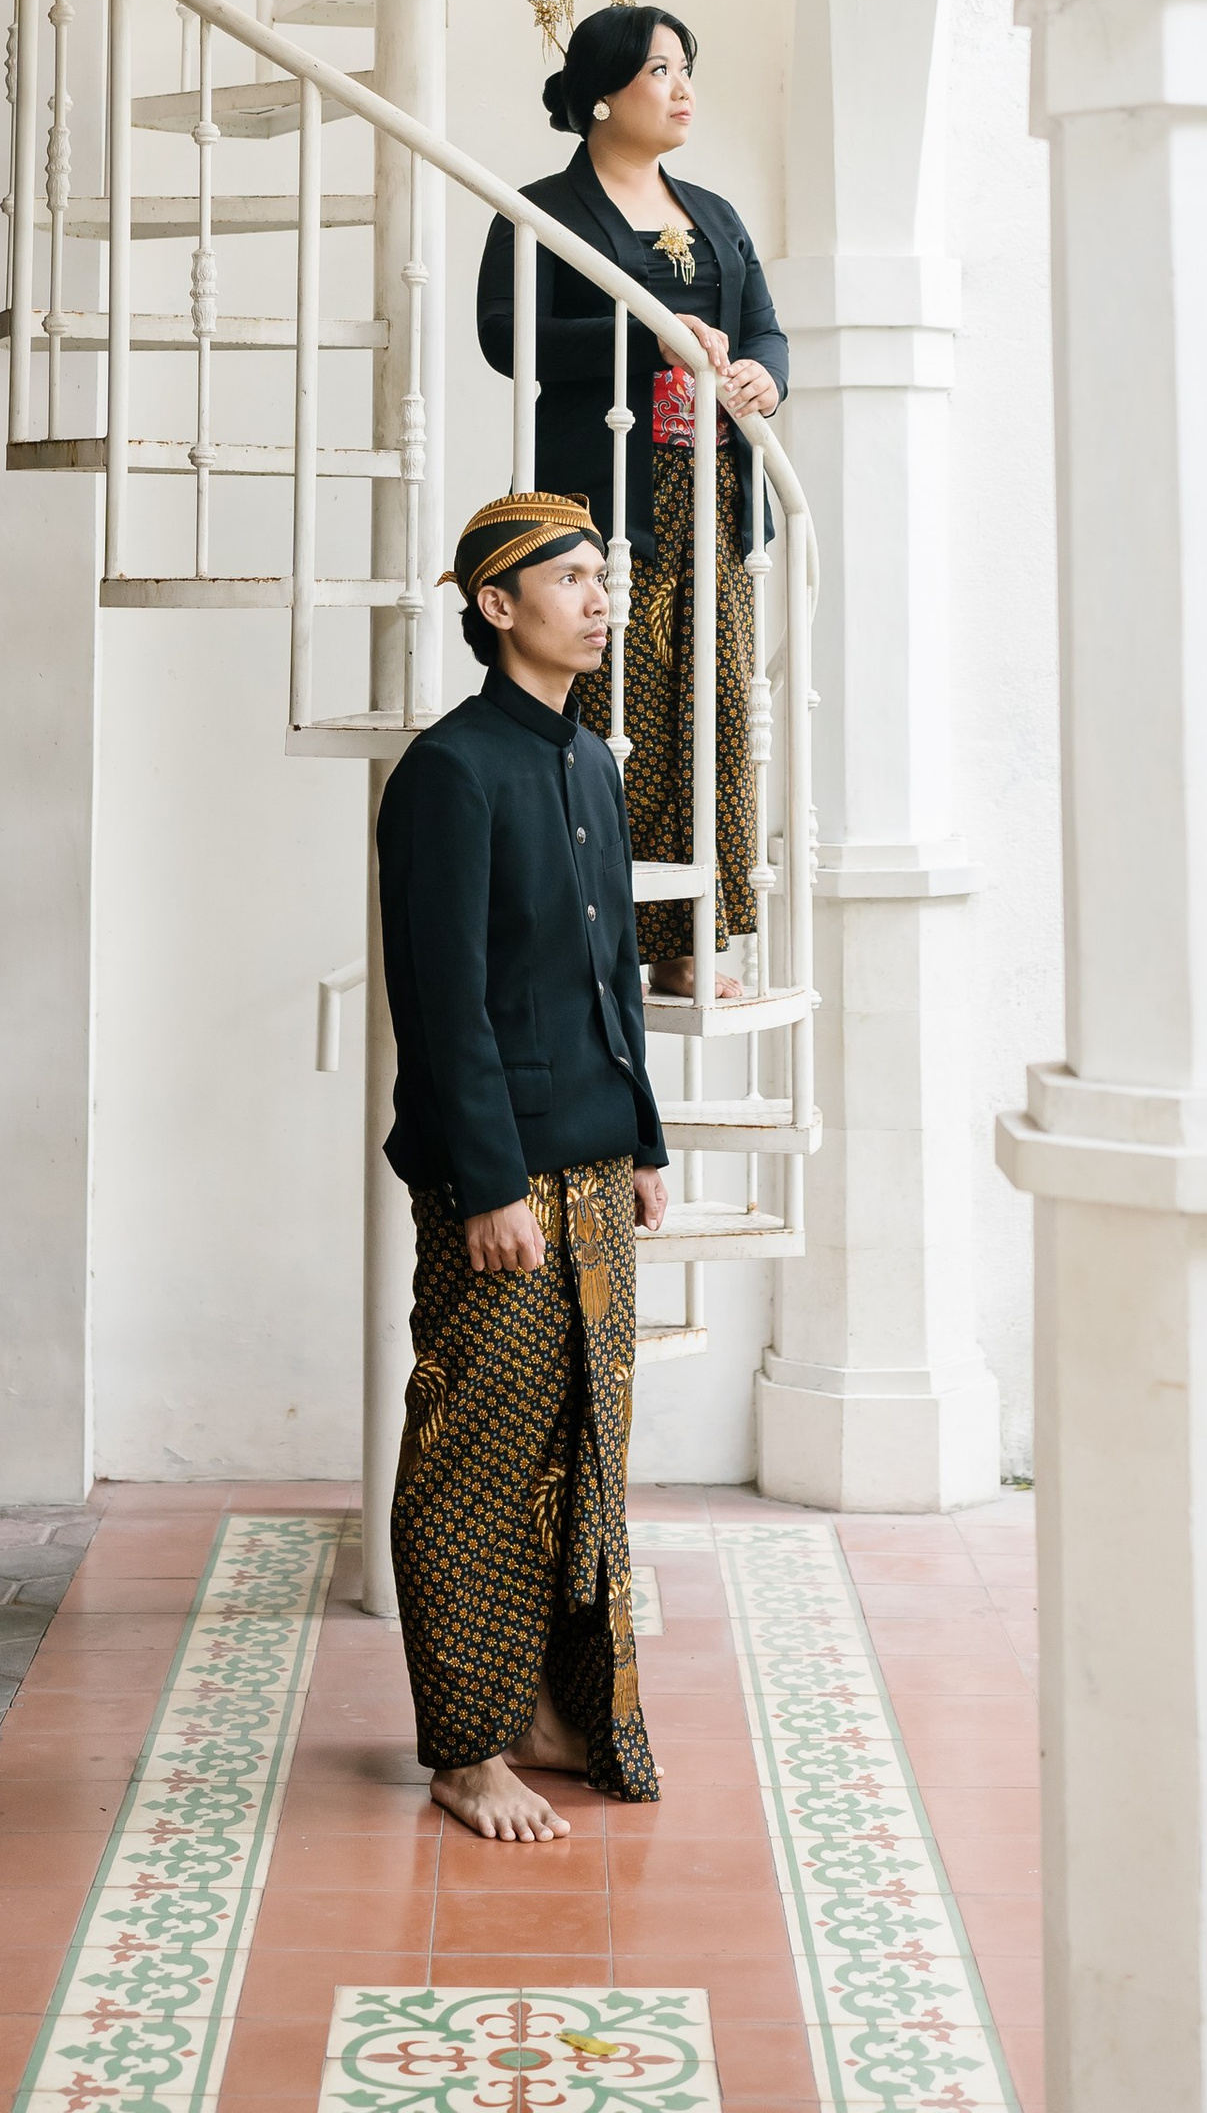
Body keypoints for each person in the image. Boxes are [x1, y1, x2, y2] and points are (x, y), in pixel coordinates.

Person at [375, 493, 669, 1843]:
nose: (599, 597)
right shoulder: (450, 773)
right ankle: (464, 1747)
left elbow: (614, 978)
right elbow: (444, 1008)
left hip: (594, 1167)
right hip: (500, 1185)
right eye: (570, 576)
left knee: (584, 1453)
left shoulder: (589, 763)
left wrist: (643, 1138)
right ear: (497, 608)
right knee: (474, 1461)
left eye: (603, 574)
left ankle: (549, 1707)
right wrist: (490, 1184)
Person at [474, 5, 790, 999]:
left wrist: (761, 382)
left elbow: (766, 333)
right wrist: (639, 331)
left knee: (720, 704)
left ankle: (696, 938)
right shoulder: (539, 211)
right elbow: (503, 336)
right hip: (604, 503)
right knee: (622, 708)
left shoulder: (716, 214)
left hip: (715, 493)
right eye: (661, 69)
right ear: (604, 92)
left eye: (686, 67)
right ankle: (609, 941)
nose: (683, 87)